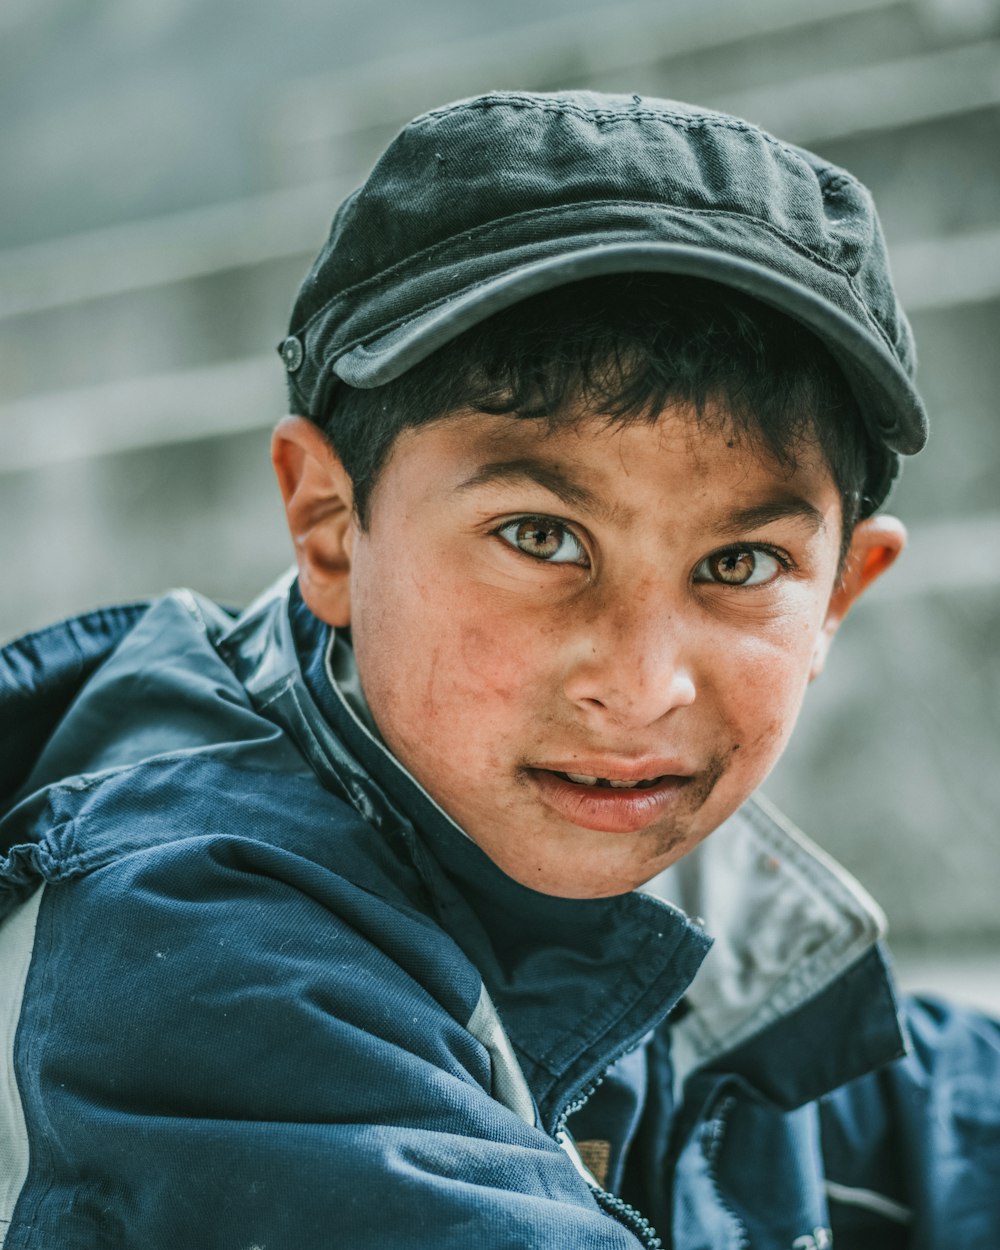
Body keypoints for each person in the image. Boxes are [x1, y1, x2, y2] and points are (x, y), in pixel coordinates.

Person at [0, 90, 997, 1249]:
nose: (639, 685)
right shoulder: (192, 953)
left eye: (738, 560)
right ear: (329, 523)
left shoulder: (678, 894)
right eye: (539, 536)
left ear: (837, 596)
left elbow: (923, 1117)